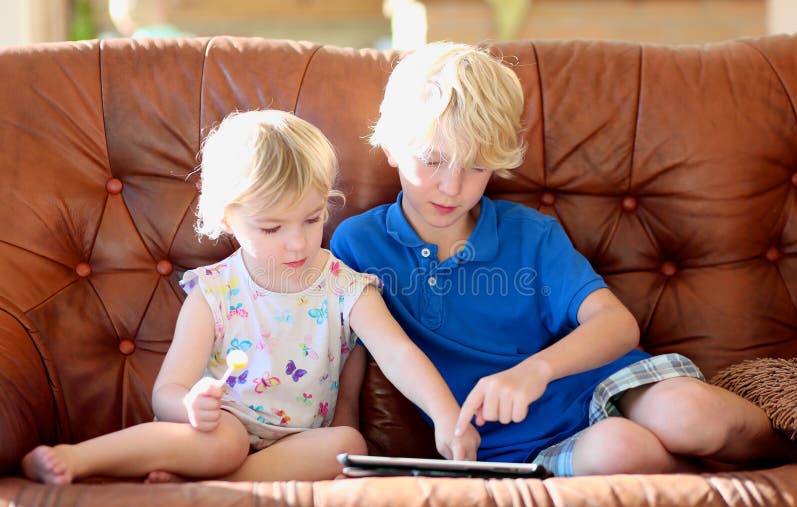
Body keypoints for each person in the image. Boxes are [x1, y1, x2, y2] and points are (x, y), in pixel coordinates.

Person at [330, 41, 797, 476]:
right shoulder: (360, 244)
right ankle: (702, 480)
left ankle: (788, 448)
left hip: (605, 383)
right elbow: (360, 351)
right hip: (523, 445)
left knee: (693, 416)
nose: (452, 187)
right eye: (432, 160)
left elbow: (616, 325)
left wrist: (536, 372)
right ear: (390, 146)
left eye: (475, 166)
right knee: (620, 450)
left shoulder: (528, 233)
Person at [21, 109, 480, 485]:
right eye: (272, 228)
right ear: (227, 218)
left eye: (312, 218)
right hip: (218, 429)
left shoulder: (345, 287)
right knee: (226, 441)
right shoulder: (214, 292)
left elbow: (398, 353)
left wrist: (445, 416)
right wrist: (190, 405)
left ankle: (209, 483)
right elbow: (167, 392)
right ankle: (76, 459)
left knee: (347, 446)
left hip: (300, 446)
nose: (298, 243)